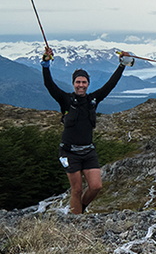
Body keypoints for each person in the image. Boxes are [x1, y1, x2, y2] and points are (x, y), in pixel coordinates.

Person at [41, 47, 134, 214]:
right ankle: (76, 221)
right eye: (78, 82)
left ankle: (79, 209)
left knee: (96, 186)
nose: (81, 85)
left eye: (84, 82)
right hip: (69, 152)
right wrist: (46, 64)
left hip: (88, 151)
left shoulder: (93, 99)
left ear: (88, 84)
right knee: (76, 189)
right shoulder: (65, 99)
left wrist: (122, 66)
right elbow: (49, 84)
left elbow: (110, 85)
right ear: (73, 83)